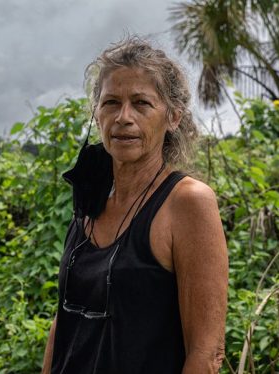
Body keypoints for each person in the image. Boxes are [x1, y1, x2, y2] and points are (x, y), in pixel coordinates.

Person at [42, 36, 228, 374]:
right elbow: (63, 322)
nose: (124, 117)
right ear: (96, 114)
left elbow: (207, 353)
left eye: (141, 103)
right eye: (111, 102)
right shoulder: (91, 197)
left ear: (173, 117)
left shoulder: (186, 202)